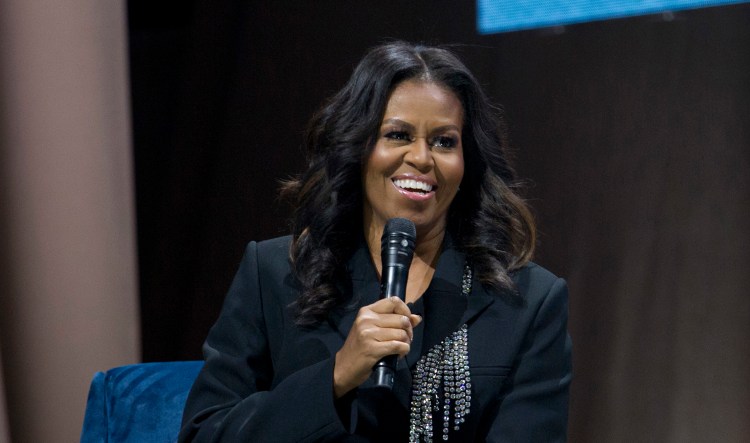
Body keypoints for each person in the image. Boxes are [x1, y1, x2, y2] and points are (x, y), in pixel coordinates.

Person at [178, 41, 572, 442]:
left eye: (444, 141)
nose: (422, 158)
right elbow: (204, 434)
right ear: (358, 146)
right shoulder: (275, 273)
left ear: (467, 160)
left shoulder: (528, 301)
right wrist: (336, 376)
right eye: (398, 135)